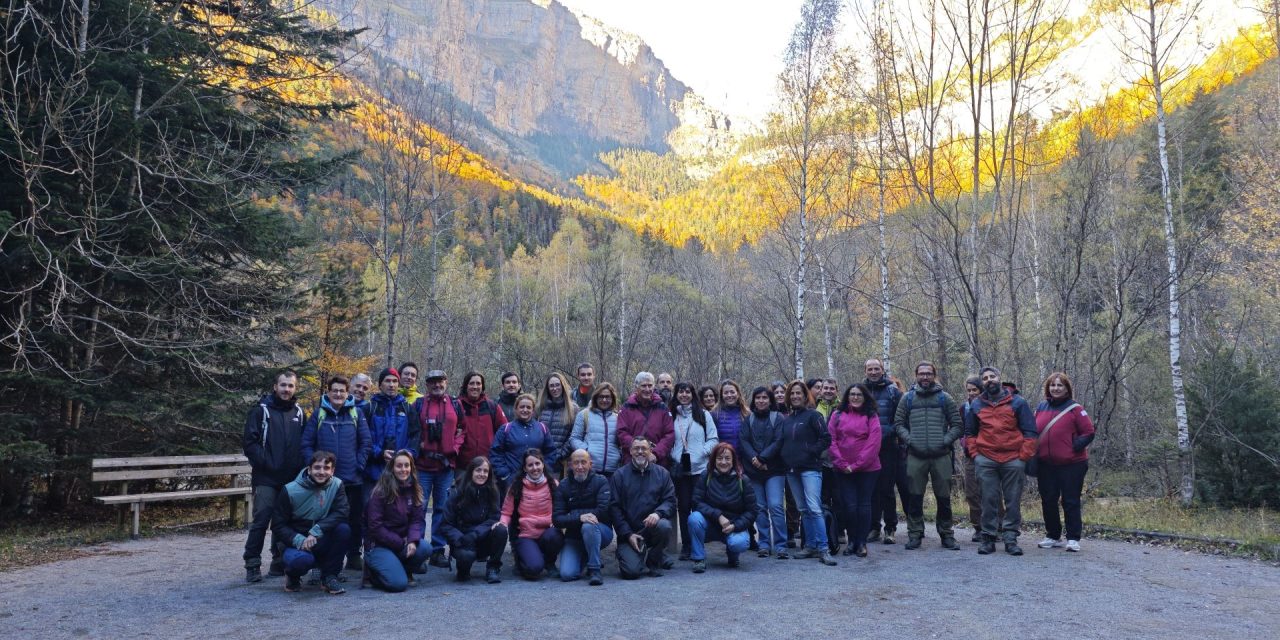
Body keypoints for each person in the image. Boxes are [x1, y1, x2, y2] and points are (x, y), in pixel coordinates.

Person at [301, 375, 372, 571]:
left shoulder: (356, 414)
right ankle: (322, 560)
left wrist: (359, 465)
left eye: (342, 391)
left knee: (354, 519)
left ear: (347, 393)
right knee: (324, 520)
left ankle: (354, 555)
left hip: (352, 479)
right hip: (324, 482)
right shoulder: (319, 414)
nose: (338, 394)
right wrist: (314, 467)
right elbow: (306, 444)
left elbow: (366, 443)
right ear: (328, 393)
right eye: (335, 390)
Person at [965, 366, 1038, 556]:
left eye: (992, 376)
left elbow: (1030, 432)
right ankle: (988, 538)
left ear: (1000, 378)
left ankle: (1010, 539)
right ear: (982, 383)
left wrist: (1023, 457)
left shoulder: (1018, 403)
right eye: (985, 378)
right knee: (988, 499)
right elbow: (970, 433)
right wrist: (976, 455)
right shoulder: (977, 405)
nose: (990, 380)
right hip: (986, 458)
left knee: (1013, 501)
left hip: (1013, 459)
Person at [242, 370, 307, 582]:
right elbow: (250, 443)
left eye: (290, 386)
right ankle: (252, 563)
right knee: (261, 519)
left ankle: (279, 561)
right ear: (275, 387)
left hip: (291, 479)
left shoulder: (299, 412)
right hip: (266, 478)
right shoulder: (261, 411)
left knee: (284, 522)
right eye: (283, 385)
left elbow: (304, 443)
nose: (286, 389)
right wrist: (266, 463)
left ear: (295, 388)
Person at [893, 361, 962, 551]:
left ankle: (947, 535)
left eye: (929, 373)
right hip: (915, 456)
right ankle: (915, 534)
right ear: (916, 375)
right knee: (914, 497)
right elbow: (898, 424)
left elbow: (957, 425)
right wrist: (911, 440)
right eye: (922, 373)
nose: (925, 377)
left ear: (934, 375)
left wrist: (944, 441)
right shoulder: (907, 398)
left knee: (944, 497)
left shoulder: (944, 398)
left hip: (941, 456)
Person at [778, 380, 838, 566]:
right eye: (793, 394)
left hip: (810, 469)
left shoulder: (813, 416)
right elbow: (782, 443)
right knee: (803, 509)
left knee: (814, 508)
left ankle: (823, 548)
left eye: (799, 393)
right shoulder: (787, 420)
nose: (796, 396)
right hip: (791, 470)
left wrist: (810, 451)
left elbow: (826, 438)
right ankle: (810, 545)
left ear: (805, 396)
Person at [274, 451, 351, 595]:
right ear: (309, 469)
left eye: (326, 468)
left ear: (332, 471)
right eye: (317, 467)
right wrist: (299, 540)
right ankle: (293, 576)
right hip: (295, 541)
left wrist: (317, 530)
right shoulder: (290, 490)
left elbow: (342, 511)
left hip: (320, 538)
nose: (321, 472)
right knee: (302, 561)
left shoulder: (337, 485)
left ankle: (329, 576)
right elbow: (278, 525)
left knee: (343, 530)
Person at [1035, 372, 1095, 553]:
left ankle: (1073, 538)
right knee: (1048, 500)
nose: (1056, 388)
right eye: (1053, 385)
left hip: (1072, 464)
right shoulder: (1041, 407)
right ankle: (1053, 535)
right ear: (1048, 388)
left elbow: (1088, 432)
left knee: (1070, 500)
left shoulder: (1075, 409)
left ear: (1067, 388)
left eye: (1060, 385)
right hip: (1046, 463)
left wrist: (1072, 447)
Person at [610, 437, 677, 579]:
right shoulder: (619, 475)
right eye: (636, 448)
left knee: (664, 525)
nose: (640, 451)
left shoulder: (662, 473)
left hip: (652, 529)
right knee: (631, 573)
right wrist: (628, 534)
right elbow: (614, 509)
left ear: (650, 451)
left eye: (644, 448)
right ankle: (632, 553)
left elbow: (670, 501)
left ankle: (653, 560)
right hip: (630, 533)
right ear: (630, 451)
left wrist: (658, 514)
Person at [828, 383, 882, 557]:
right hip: (842, 469)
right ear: (847, 396)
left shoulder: (871, 416)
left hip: (868, 469)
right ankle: (851, 541)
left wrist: (856, 465)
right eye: (852, 394)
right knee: (849, 506)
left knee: (864, 506)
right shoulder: (837, 415)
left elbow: (873, 443)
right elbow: (831, 440)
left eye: (859, 394)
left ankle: (861, 543)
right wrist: (843, 464)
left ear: (865, 397)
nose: (855, 397)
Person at [364, 451, 429, 592]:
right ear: (392, 468)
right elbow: (375, 527)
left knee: (425, 548)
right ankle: (372, 574)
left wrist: (412, 540)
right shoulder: (380, 491)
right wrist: (401, 543)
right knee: (398, 585)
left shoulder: (415, 489)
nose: (403, 469)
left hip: (402, 543)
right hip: (379, 545)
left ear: (411, 468)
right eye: (399, 466)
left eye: (407, 465)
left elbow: (416, 520)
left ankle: (402, 568)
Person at [415, 369, 461, 569]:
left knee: (442, 508)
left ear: (446, 382)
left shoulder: (455, 404)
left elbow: (463, 431)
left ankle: (437, 550)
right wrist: (419, 447)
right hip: (423, 465)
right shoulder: (418, 404)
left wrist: (454, 449)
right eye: (432, 381)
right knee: (419, 507)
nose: (437, 385)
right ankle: (418, 550)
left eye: (440, 381)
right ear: (427, 384)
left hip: (445, 466)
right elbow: (412, 431)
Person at [669, 382, 719, 561]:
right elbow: (667, 438)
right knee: (683, 507)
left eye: (687, 392)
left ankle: (698, 543)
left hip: (699, 469)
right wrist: (673, 455)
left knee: (698, 507)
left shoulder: (703, 414)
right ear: (676, 395)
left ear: (692, 394)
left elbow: (713, 438)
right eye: (680, 392)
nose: (684, 395)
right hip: (680, 470)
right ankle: (687, 545)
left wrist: (701, 453)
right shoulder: (671, 415)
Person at [689, 443, 757, 573]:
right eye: (719, 458)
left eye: (727, 458)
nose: (723, 462)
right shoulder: (705, 476)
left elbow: (752, 511)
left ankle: (733, 554)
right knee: (694, 518)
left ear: (733, 460)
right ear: (714, 460)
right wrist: (718, 515)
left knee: (739, 543)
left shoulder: (743, 480)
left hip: (733, 526)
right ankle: (698, 558)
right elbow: (696, 502)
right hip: (710, 524)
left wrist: (735, 526)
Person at [499, 449, 564, 580]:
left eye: (537, 463)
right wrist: (501, 524)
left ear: (543, 464)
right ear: (525, 468)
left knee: (556, 535)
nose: (535, 468)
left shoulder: (553, 484)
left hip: (548, 532)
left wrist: (557, 521)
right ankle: (523, 558)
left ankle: (549, 563)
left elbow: (561, 509)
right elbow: (506, 512)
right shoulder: (516, 486)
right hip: (526, 534)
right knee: (534, 569)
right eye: (530, 465)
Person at [738, 387, 786, 558]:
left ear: (770, 400)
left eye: (765, 397)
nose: (761, 401)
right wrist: (755, 460)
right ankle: (764, 543)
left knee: (776, 506)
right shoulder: (748, 419)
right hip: (753, 472)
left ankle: (781, 544)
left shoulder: (778, 418)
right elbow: (743, 441)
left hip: (774, 470)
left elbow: (779, 440)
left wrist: (763, 459)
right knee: (759, 508)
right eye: (758, 397)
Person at [440, 457, 506, 583]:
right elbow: (445, 524)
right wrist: (460, 538)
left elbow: (494, 517)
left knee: (501, 530)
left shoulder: (493, 491)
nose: (482, 474)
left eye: (485, 471)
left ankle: (493, 567)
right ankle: (463, 570)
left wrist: (475, 534)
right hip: (462, 540)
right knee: (466, 557)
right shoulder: (456, 492)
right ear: (471, 471)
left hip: (482, 536)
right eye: (478, 470)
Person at [553, 449, 613, 585]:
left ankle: (594, 570)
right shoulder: (563, 485)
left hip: (601, 531)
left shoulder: (601, 481)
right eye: (576, 463)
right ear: (570, 465)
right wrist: (580, 517)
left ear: (590, 464)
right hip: (574, 536)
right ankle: (586, 555)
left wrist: (573, 515)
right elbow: (557, 519)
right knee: (567, 574)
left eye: (583, 462)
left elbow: (603, 511)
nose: (580, 466)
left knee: (588, 526)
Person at [863, 360, 906, 545]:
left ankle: (890, 528)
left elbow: (900, 419)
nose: (873, 372)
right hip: (865, 448)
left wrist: (883, 433)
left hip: (888, 447)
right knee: (870, 489)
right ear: (865, 371)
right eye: (870, 369)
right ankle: (873, 527)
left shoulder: (893, 391)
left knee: (887, 489)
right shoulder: (860, 391)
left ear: (882, 370)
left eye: (877, 369)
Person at [365, 368, 422, 496]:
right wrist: (379, 453)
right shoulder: (369, 408)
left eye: (395, 381)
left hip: (401, 472)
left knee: (398, 513)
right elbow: (363, 438)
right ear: (380, 385)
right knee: (371, 511)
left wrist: (407, 454)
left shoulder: (407, 408)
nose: (391, 385)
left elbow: (416, 435)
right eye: (387, 381)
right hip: (373, 471)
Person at [490, 394, 554, 492]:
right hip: (512, 481)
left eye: (528, 407)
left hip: (538, 481)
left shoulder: (542, 428)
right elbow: (495, 453)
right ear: (516, 409)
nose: (525, 410)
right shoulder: (506, 429)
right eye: (522, 407)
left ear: (533, 410)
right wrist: (505, 475)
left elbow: (551, 452)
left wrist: (545, 472)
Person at [455, 371, 507, 482]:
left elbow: (505, 432)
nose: (475, 387)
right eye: (471, 383)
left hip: (487, 467)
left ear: (482, 386)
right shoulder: (456, 405)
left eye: (478, 383)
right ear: (465, 386)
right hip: (462, 467)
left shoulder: (492, 406)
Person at [617, 372, 675, 467]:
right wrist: (638, 450)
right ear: (636, 387)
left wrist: (655, 453)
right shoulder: (626, 408)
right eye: (643, 386)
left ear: (654, 387)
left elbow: (669, 434)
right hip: (631, 462)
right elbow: (622, 433)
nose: (647, 389)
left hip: (657, 463)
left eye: (650, 385)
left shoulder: (663, 408)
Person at [569, 383, 622, 476]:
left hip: (613, 471)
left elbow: (621, 442)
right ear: (595, 398)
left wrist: (619, 455)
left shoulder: (618, 418)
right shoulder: (584, 415)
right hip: (589, 470)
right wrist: (587, 450)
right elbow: (574, 439)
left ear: (612, 399)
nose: (604, 400)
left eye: (607, 397)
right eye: (601, 397)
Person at [959, 375, 989, 541]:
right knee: (972, 492)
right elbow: (959, 427)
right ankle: (978, 527)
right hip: (970, 455)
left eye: (974, 390)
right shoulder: (964, 408)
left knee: (991, 492)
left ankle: (996, 525)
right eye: (969, 390)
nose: (971, 393)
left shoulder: (989, 406)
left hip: (990, 454)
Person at [537, 371, 579, 475]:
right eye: (551, 386)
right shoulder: (540, 407)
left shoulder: (573, 408)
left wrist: (561, 454)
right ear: (547, 388)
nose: (555, 388)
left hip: (560, 461)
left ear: (563, 386)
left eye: (557, 385)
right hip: (538, 459)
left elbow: (573, 435)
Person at [712, 380, 747, 449]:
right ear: (721, 395)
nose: (729, 395)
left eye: (732, 392)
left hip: (744, 458)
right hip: (723, 457)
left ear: (738, 394)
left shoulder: (746, 413)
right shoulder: (714, 414)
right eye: (726, 393)